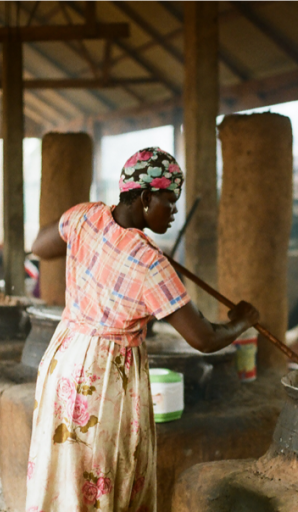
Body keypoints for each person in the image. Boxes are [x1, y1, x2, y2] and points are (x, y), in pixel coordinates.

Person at [25, 147, 259, 512]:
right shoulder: (150, 263)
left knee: (64, 474)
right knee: (99, 478)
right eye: (170, 200)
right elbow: (205, 339)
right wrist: (242, 322)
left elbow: (40, 246)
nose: (175, 210)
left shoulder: (85, 216)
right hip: (104, 381)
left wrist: (90, 225)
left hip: (63, 362)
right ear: (146, 197)